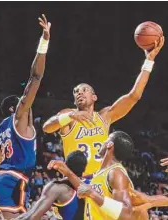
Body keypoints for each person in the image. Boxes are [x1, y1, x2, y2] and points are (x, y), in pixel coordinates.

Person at [43, 37, 164, 176]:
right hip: (76, 180)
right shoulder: (69, 115)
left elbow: (134, 96)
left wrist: (149, 61)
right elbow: (47, 127)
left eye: (84, 90)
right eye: (76, 92)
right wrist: (68, 116)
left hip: (99, 180)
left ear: (94, 97)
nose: (79, 93)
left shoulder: (104, 116)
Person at [0, 14, 51, 220]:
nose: (27, 102)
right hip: (12, 179)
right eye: (21, 101)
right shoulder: (19, 116)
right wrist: (44, 41)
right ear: (12, 109)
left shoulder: (1, 129)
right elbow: (36, 77)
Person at [48, 131, 168, 220]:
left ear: (109, 145)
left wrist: (93, 194)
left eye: (105, 140)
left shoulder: (116, 173)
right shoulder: (102, 174)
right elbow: (86, 188)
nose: (102, 142)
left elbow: (126, 213)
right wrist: (68, 172)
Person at [15, 150, 88, 220]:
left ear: (65, 165)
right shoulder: (91, 184)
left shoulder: (58, 187)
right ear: (84, 169)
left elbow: (33, 216)